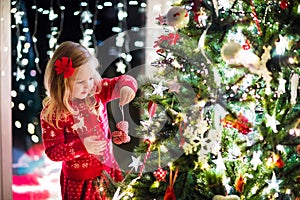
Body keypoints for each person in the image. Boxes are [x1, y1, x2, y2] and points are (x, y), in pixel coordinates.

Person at [40, 41, 138, 200]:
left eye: (91, 78)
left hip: (108, 171)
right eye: (80, 82)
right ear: (62, 82)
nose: (88, 85)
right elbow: (53, 152)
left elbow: (124, 80)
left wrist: (127, 87)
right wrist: (82, 146)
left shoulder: (97, 91)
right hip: (79, 182)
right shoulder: (54, 112)